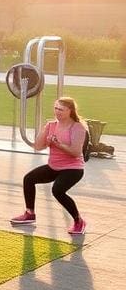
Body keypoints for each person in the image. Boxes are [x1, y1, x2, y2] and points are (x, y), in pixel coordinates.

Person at [11, 96, 88, 235]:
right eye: (56, 108)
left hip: (73, 168)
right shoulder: (51, 125)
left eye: (61, 109)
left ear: (70, 111)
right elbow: (38, 147)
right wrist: (44, 131)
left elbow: (76, 152)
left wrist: (58, 144)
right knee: (29, 179)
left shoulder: (78, 127)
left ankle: (79, 221)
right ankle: (30, 214)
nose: (57, 112)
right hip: (54, 167)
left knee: (57, 190)